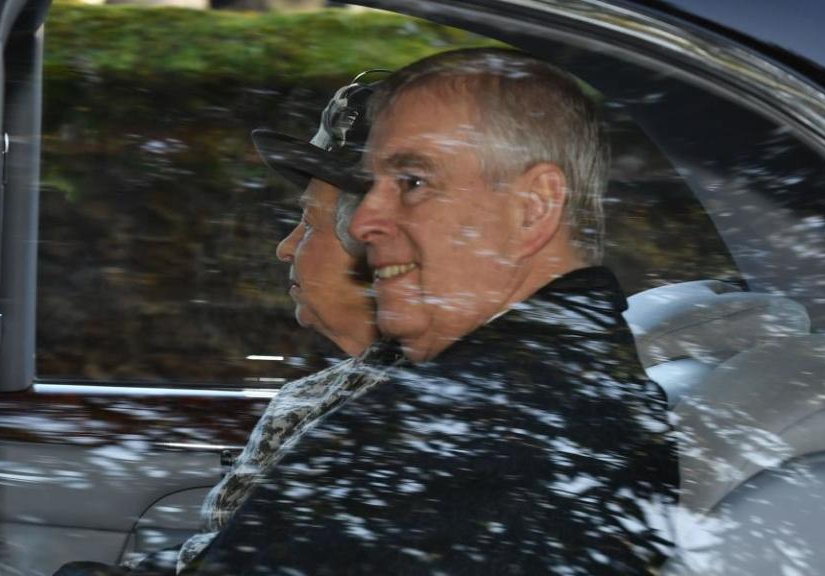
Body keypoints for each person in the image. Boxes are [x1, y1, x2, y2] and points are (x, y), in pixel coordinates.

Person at [179, 48, 678, 575]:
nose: (366, 221)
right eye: (367, 191)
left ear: (532, 208)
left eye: (413, 183)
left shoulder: (482, 435)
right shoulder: (469, 403)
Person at [53, 72, 398, 576]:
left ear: (377, 246)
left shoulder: (399, 421)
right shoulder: (336, 391)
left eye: (309, 224)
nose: (284, 247)